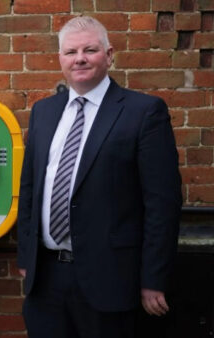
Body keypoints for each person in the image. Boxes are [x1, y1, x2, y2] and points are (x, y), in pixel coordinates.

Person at [16, 16, 181, 338]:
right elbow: (30, 188)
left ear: (109, 55)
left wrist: (153, 280)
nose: (79, 58)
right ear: (60, 59)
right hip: (46, 278)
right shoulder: (44, 111)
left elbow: (163, 203)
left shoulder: (143, 112)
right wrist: (27, 256)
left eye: (90, 49)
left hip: (111, 278)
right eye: (71, 51)